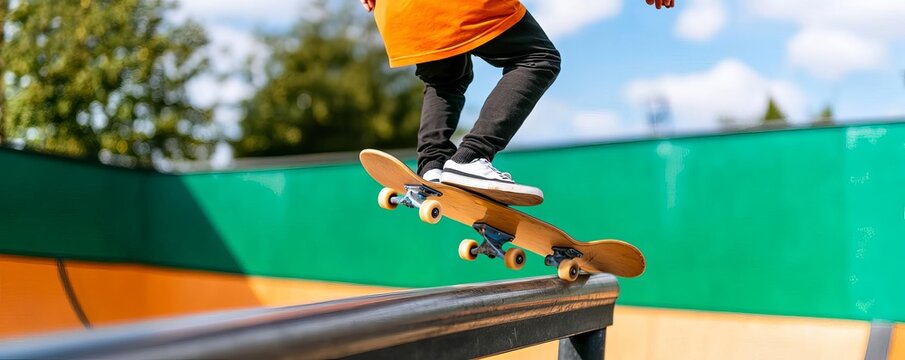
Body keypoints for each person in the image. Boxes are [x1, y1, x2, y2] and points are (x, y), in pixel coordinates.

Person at [360, 0, 674, 206]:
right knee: (538, 58)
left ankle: (432, 166)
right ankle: (470, 157)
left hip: (396, 13)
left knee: (444, 79)